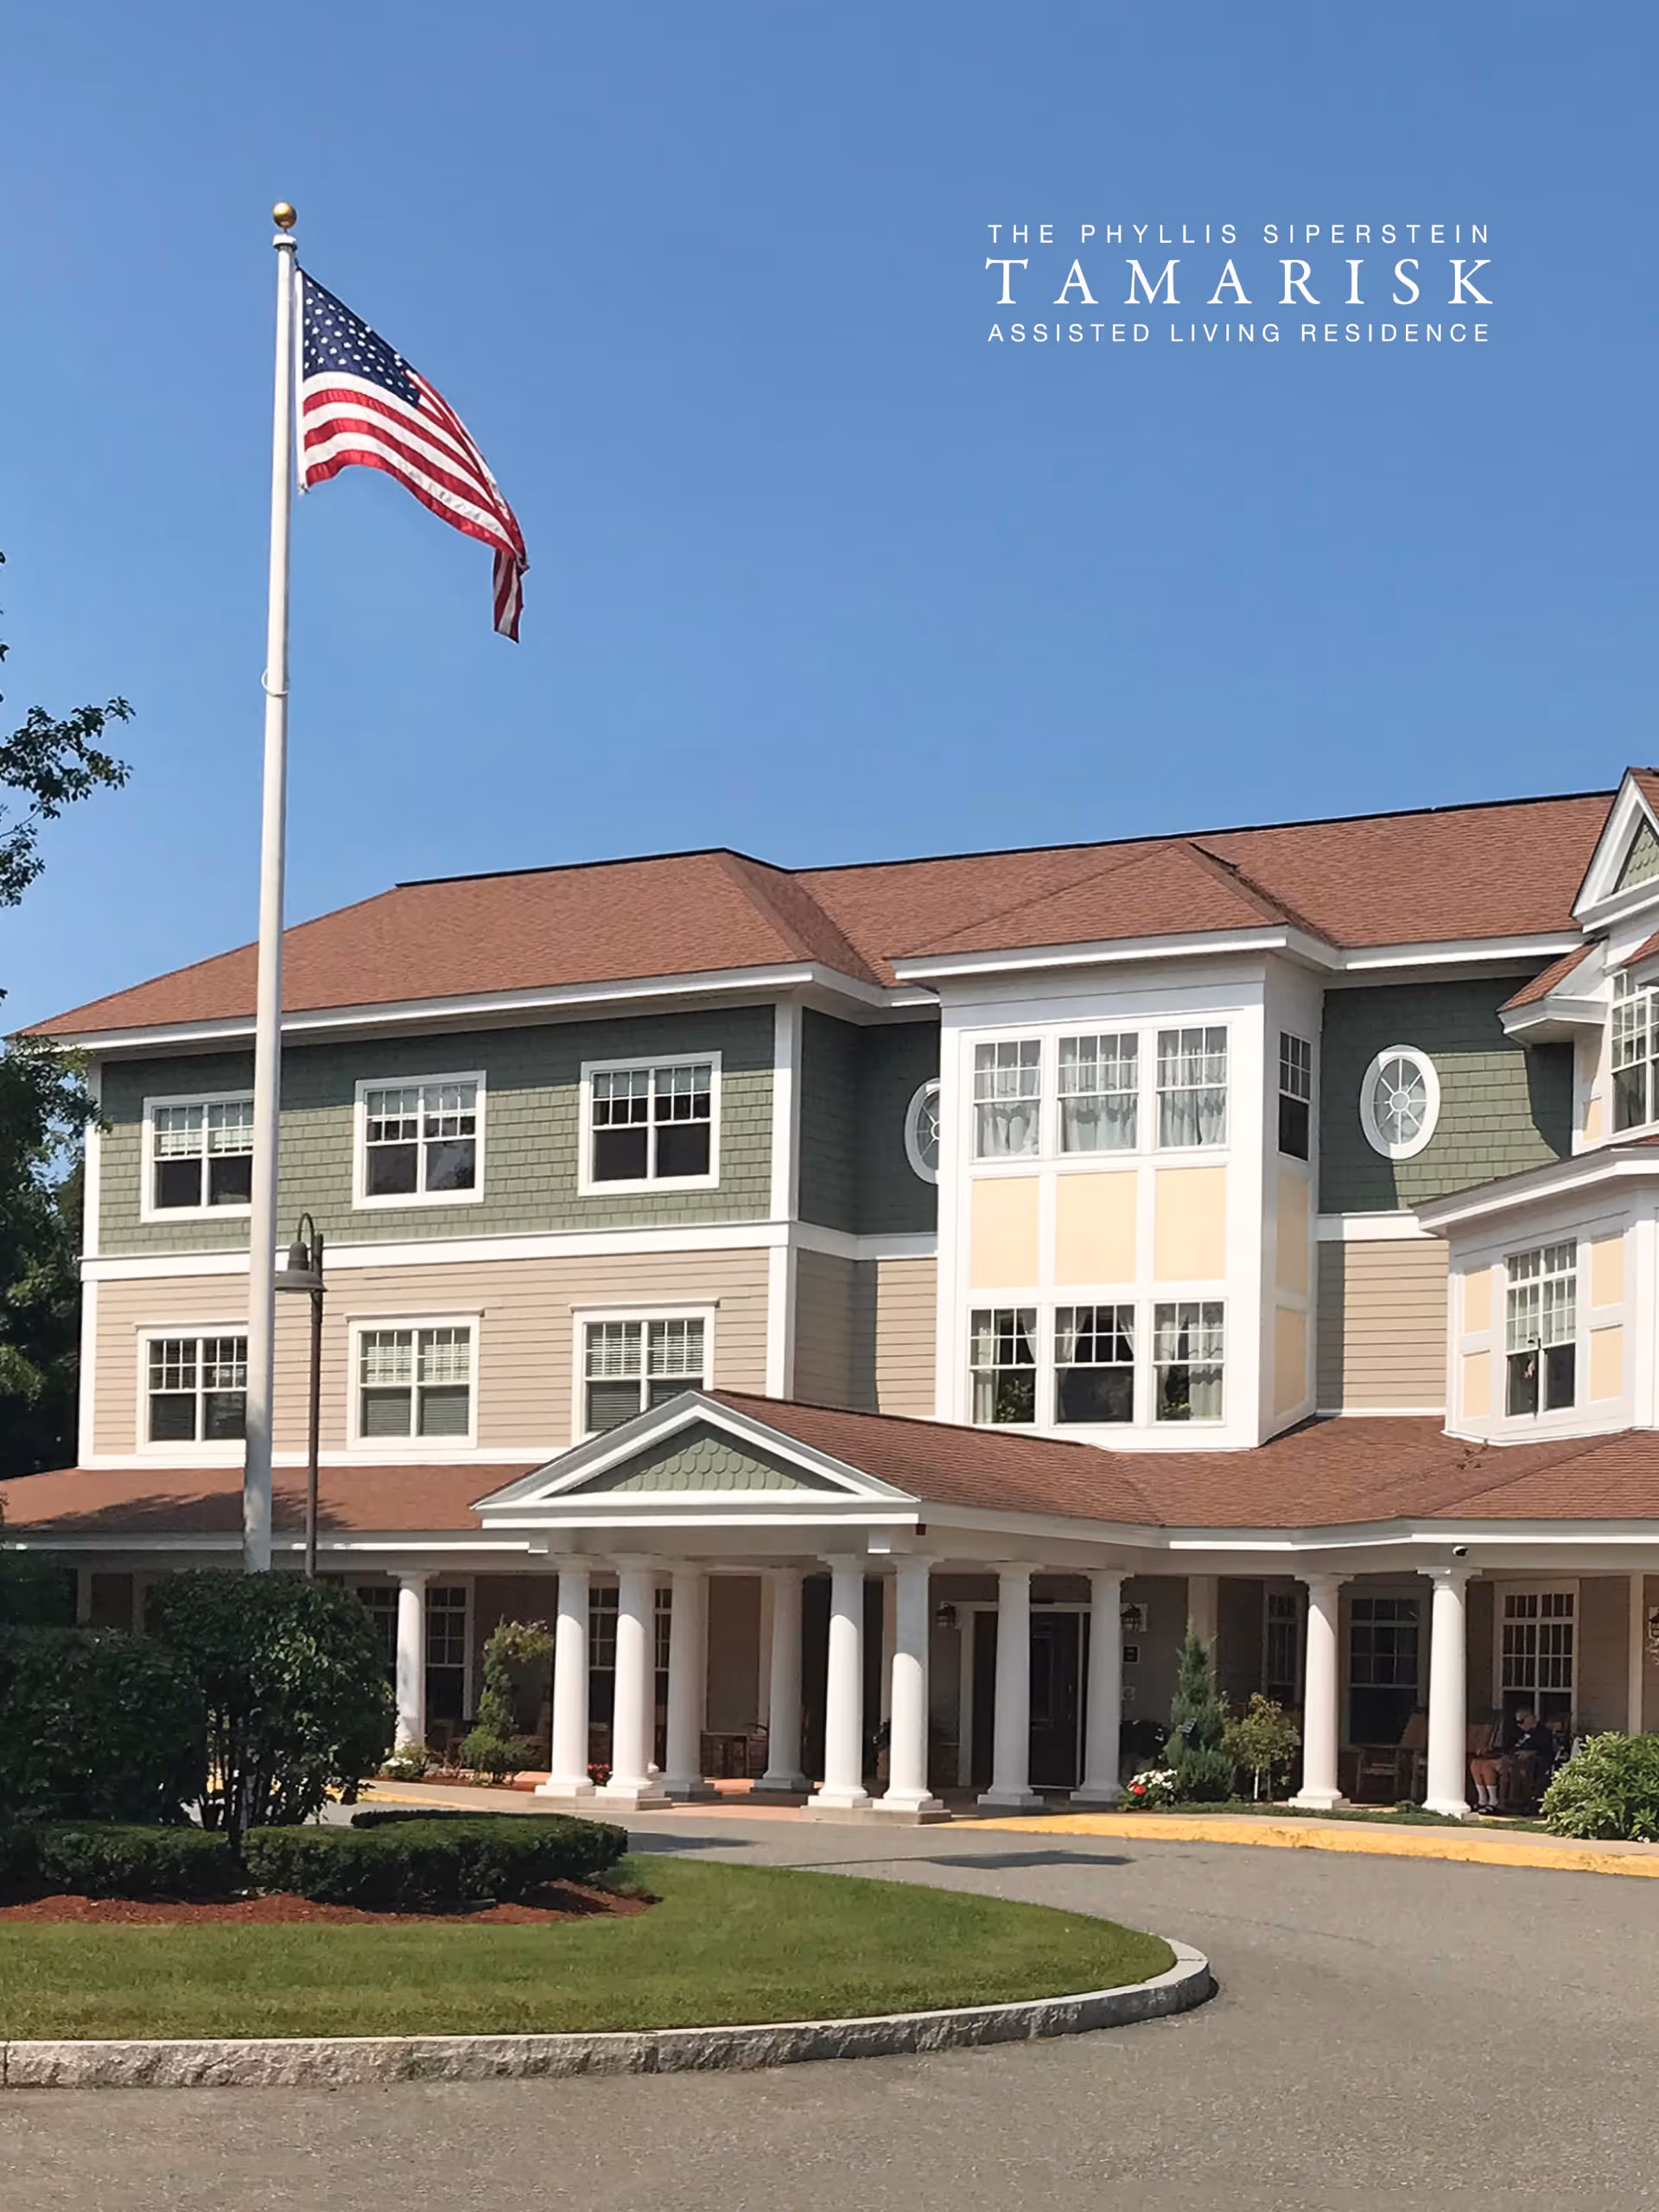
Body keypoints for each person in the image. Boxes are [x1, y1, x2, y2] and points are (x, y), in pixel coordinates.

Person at [1469, 1709, 1554, 1812]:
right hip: (1510, 1759)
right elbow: (1508, 1748)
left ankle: (1494, 1801)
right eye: (1517, 1722)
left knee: (1488, 1765)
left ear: (1532, 1718)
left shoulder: (1543, 1733)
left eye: (1521, 1721)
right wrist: (1492, 1750)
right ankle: (1483, 1800)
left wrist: (1530, 1753)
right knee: (1476, 1763)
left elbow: (1546, 1751)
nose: (1519, 1725)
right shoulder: (1518, 1733)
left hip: (1526, 1765)